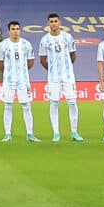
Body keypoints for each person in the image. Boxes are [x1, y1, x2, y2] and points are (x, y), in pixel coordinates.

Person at [37, 13, 83, 143]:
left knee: (72, 102)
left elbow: (73, 55)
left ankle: (74, 131)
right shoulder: (44, 40)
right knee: (54, 103)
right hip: (53, 78)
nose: (54, 23)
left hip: (68, 77)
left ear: (60, 22)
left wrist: (66, 68)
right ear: (48, 24)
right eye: (51, 21)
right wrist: (52, 70)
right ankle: (56, 133)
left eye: (56, 21)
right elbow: (42, 59)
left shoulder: (68, 37)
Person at [0, 20, 39, 143]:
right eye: (13, 29)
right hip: (8, 81)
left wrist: (21, 72)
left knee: (27, 106)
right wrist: (9, 73)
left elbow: (30, 62)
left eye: (18, 29)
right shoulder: (3, 45)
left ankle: (30, 134)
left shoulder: (26, 44)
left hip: (23, 82)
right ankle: (7, 134)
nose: (16, 31)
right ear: (9, 31)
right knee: (8, 106)